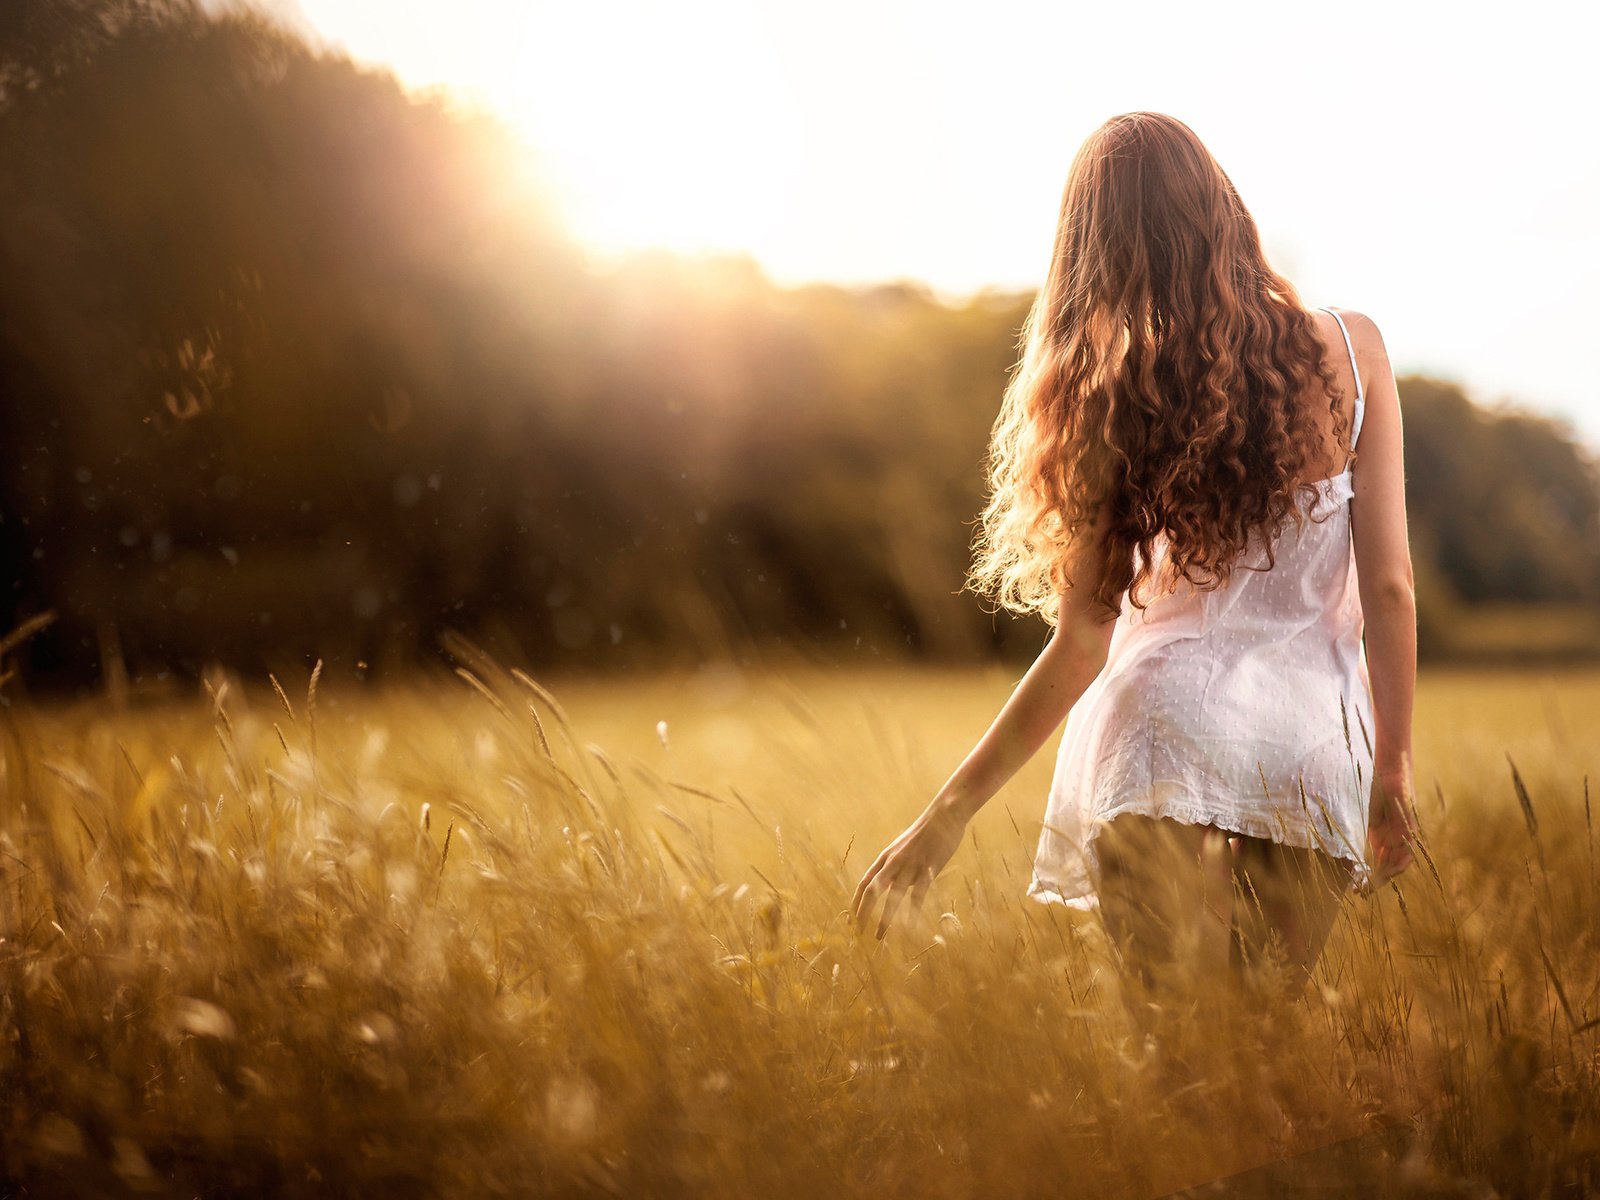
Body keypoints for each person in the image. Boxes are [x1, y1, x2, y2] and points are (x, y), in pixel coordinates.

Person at [850, 111, 1419, 997]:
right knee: (1260, 1047)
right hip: (1306, 749)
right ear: (1223, 209)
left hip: (1158, 731)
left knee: (1174, 1064)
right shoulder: (1355, 352)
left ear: (1095, 254)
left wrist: (943, 819)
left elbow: (1082, 640)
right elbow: (1388, 587)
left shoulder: (1121, 396)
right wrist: (1394, 765)